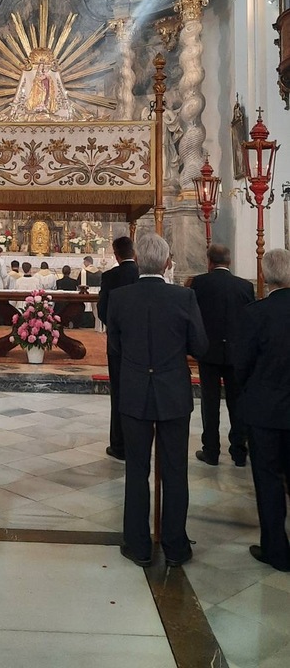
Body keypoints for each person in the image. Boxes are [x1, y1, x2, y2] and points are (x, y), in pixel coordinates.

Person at [107, 233, 208, 568]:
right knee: (175, 470)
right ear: (167, 263)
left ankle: (138, 545)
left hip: (135, 390)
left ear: (138, 260)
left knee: (137, 470)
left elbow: (115, 345)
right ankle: (176, 546)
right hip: (173, 391)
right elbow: (200, 346)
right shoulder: (184, 297)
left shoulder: (120, 298)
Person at [236, 249, 290, 572]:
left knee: (268, 481)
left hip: (265, 411)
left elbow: (241, 365)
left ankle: (276, 551)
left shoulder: (255, 314)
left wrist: (249, 394)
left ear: (265, 276)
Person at [191, 244, 255, 467]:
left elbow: (194, 316)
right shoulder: (245, 286)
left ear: (209, 262)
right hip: (236, 353)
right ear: (229, 261)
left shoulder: (199, 283)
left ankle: (211, 451)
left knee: (210, 403)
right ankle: (239, 452)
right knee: (237, 402)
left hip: (208, 351)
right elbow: (249, 320)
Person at [98, 236, 139, 461]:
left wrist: (116, 328)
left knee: (119, 392)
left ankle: (118, 444)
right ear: (134, 252)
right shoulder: (142, 274)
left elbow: (103, 311)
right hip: (142, 342)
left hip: (117, 343)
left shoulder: (110, 276)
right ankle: (138, 442)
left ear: (116, 254)